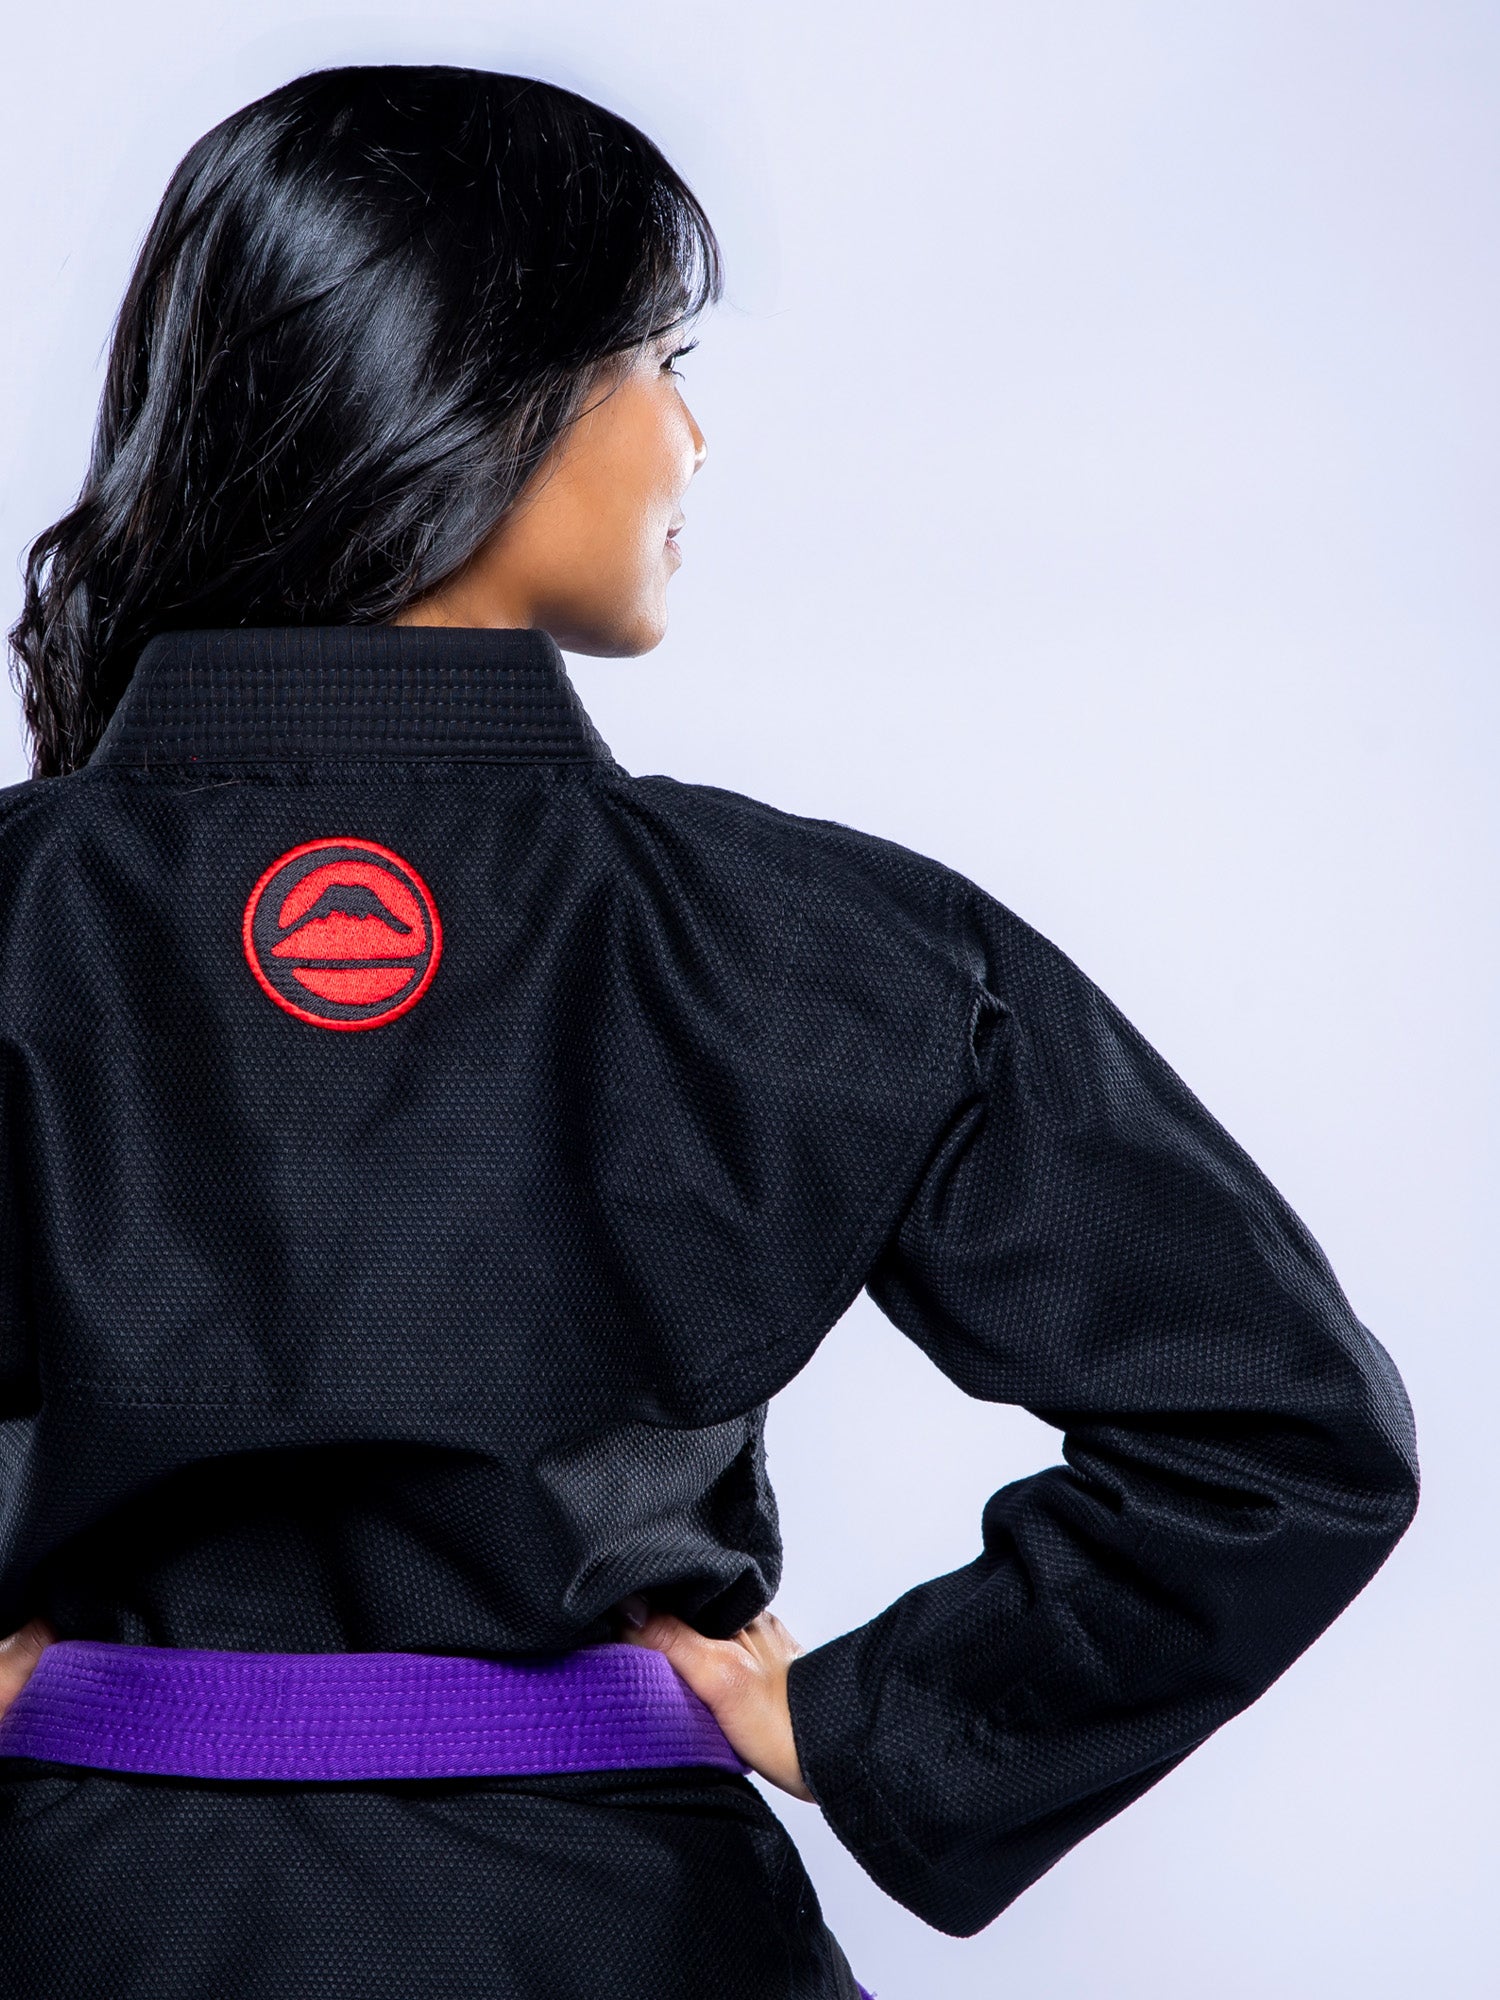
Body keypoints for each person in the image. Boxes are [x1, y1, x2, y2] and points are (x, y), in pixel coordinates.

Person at [0, 63, 1417, 2000]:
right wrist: (878, 1722)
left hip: (80, 1912)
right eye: (661, 351)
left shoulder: (22, 912)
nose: (686, 431)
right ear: (485, 391)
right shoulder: (818, 943)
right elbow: (1279, 1434)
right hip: (623, 1934)